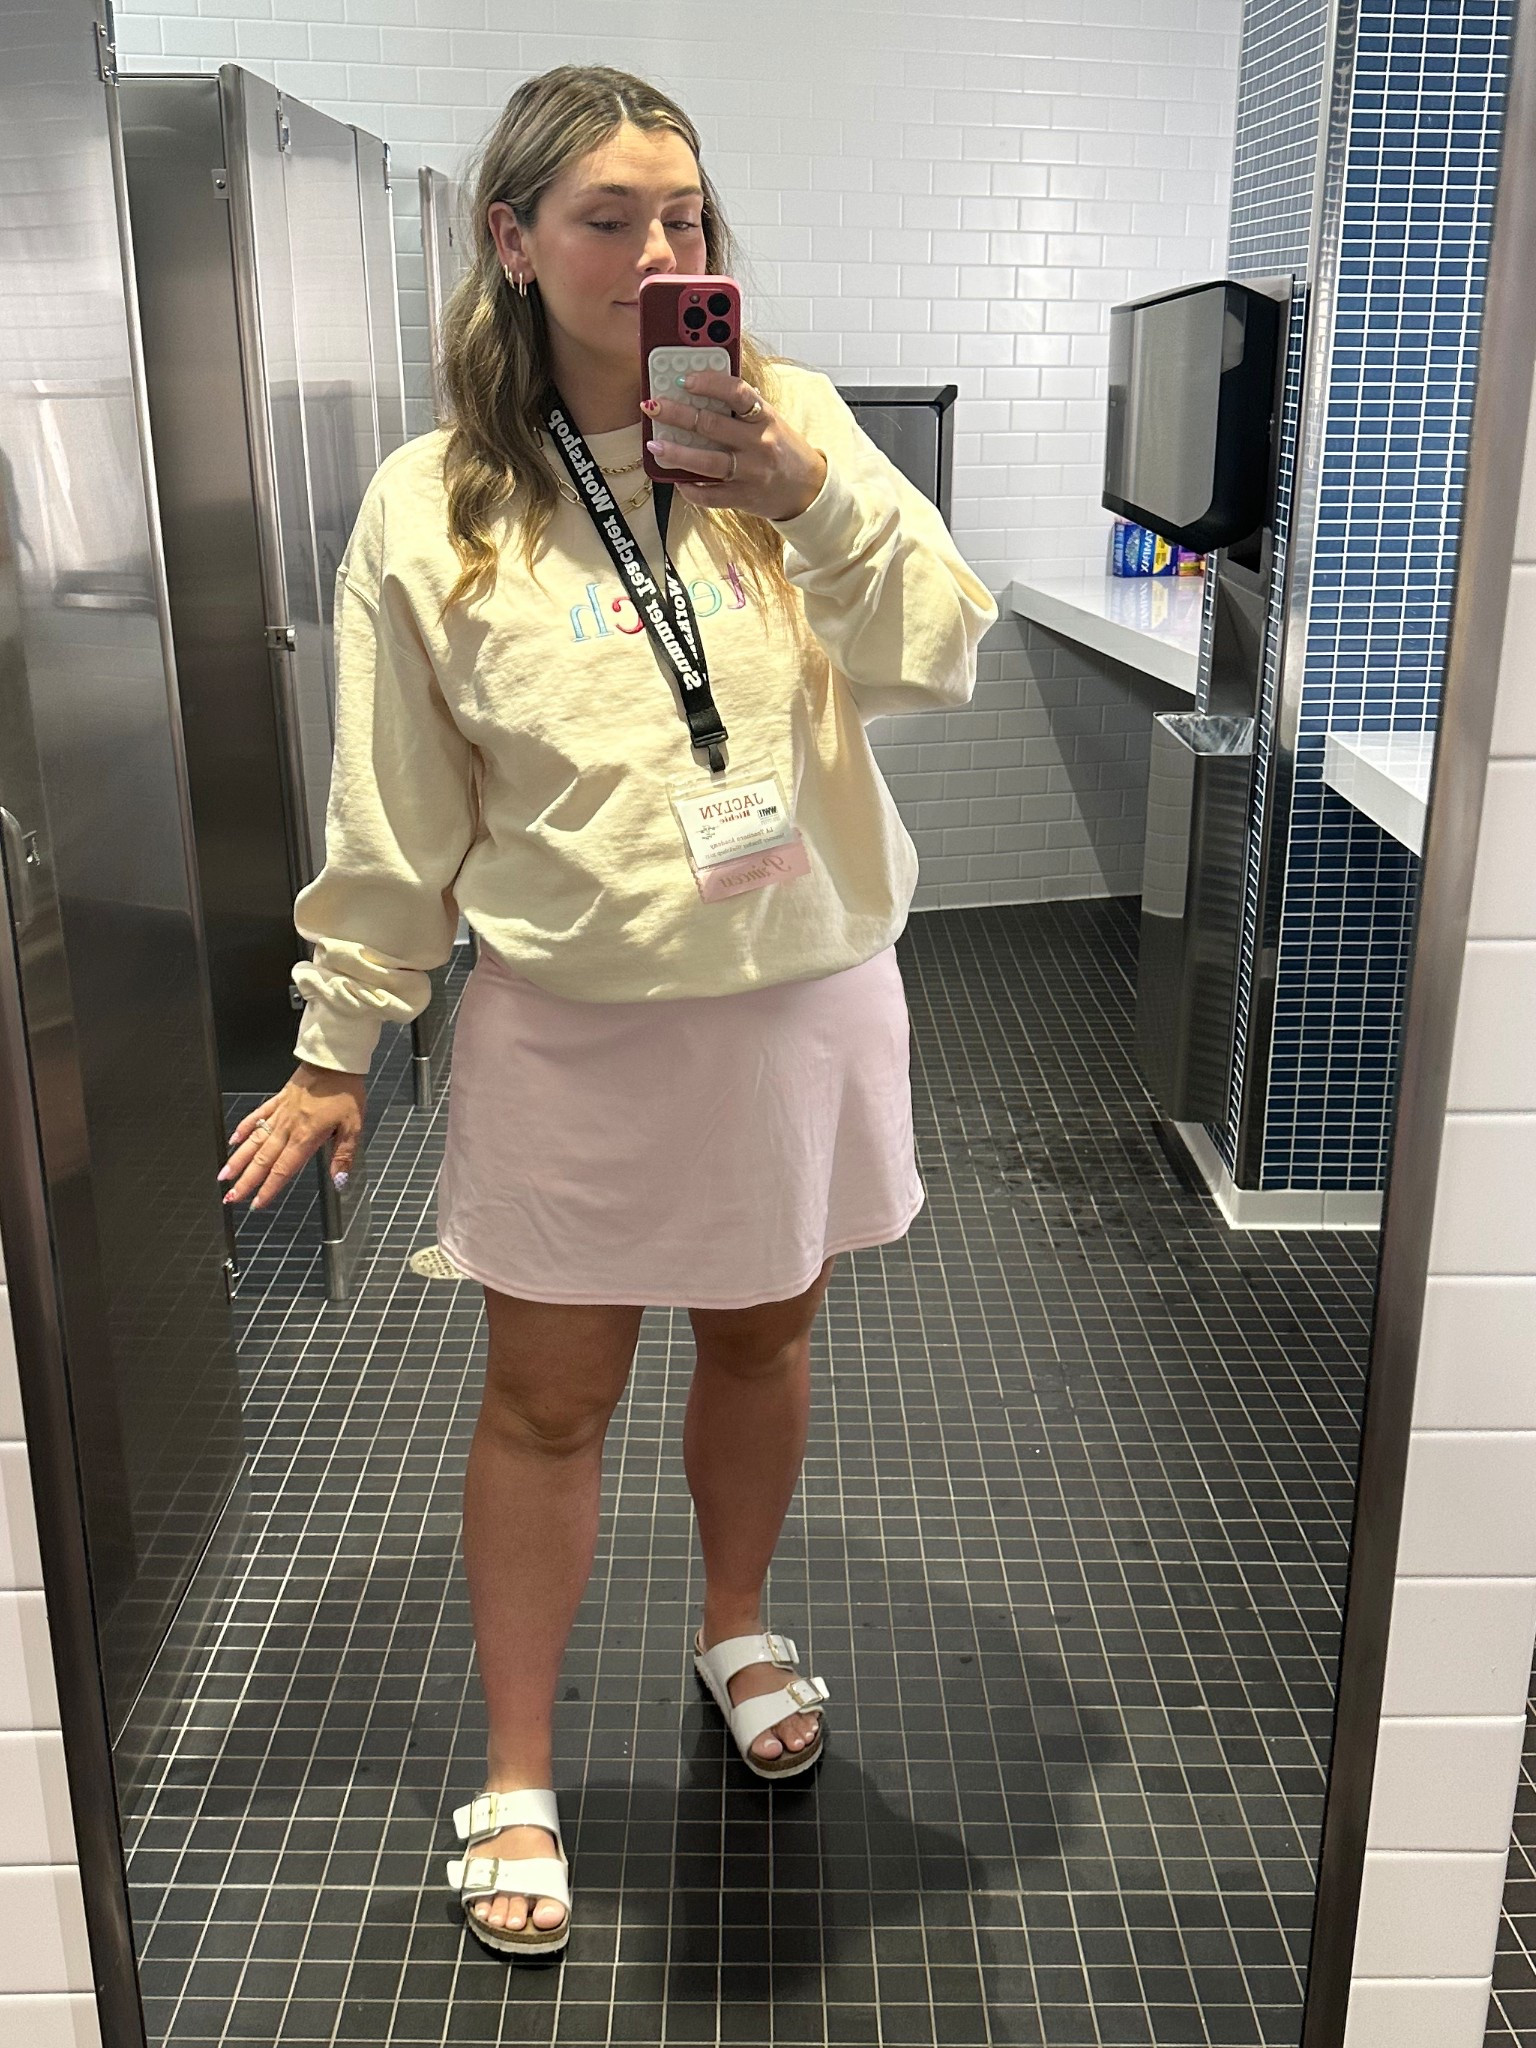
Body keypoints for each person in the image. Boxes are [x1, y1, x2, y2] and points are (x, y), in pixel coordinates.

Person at [219, 62, 995, 1961]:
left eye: (687, 217)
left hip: (799, 997)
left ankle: (734, 1624)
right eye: (609, 218)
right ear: (511, 240)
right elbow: (394, 810)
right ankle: (517, 1767)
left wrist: (809, 498)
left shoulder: (789, 427)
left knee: (766, 1337)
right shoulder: (434, 506)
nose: (661, 251)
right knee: (548, 1398)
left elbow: (942, 652)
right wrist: (337, 1044)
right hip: (573, 1020)